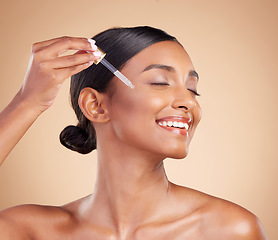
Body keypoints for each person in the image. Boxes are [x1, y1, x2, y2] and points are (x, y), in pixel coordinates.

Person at [0, 26, 267, 239]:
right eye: (160, 82)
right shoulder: (28, 231)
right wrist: (27, 103)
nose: (190, 102)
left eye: (192, 89)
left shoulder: (228, 230)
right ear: (96, 106)